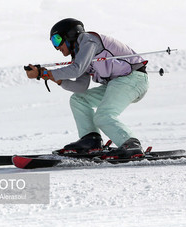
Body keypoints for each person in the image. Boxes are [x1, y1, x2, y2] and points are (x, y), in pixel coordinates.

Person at [25, 18, 149, 159]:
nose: (57, 47)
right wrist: (55, 78)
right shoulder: (79, 53)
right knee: (79, 99)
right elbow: (81, 87)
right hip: (117, 83)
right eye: (53, 42)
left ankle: (131, 145)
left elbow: (77, 70)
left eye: (57, 40)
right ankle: (91, 140)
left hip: (133, 79)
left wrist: (44, 73)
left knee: (103, 116)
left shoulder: (88, 40)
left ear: (70, 35)